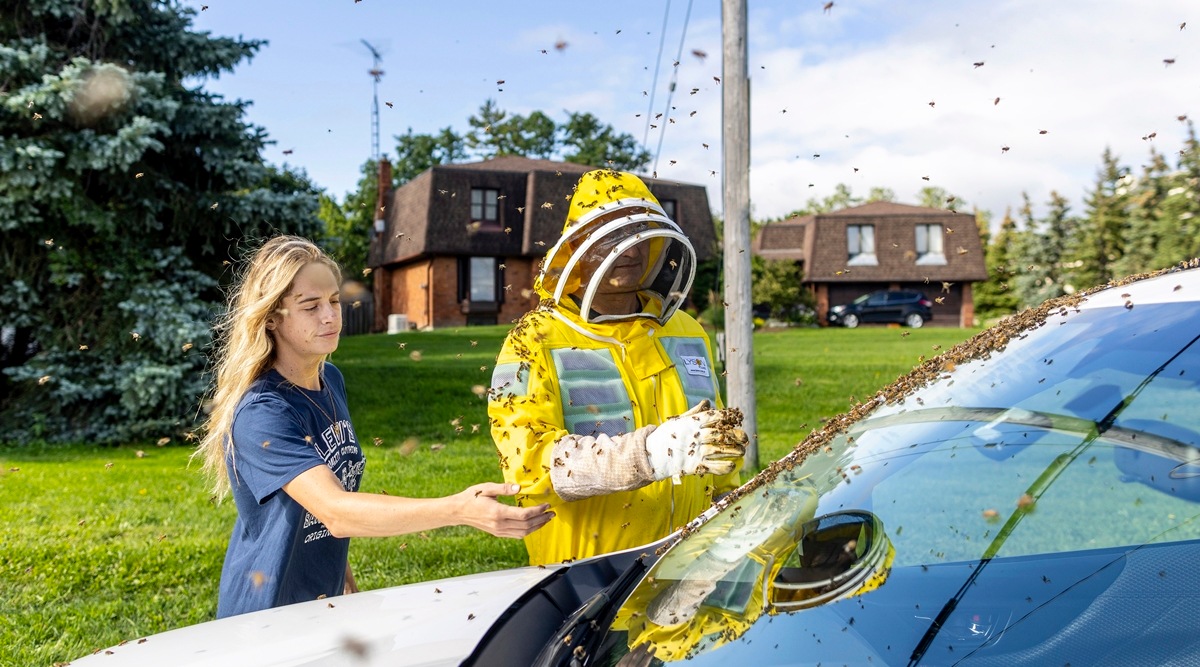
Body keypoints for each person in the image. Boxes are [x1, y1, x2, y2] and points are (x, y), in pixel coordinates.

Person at [196, 235, 553, 618]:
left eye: (333, 300)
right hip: (264, 616)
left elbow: (322, 495)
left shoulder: (330, 380)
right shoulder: (262, 411)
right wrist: (460, 510)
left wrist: (336, 568)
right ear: (270, 319)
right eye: (310, 306)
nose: (330, 316)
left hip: (320, 603)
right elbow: (335, 510)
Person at [489, 169, 747, 566]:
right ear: (577, 245)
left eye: (638, 232)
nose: (628, 250)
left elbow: (716, 450)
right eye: (610, 235)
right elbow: (528, 463)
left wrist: (735, 503)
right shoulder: (533, 340)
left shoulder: (687, 330)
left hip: (693, 567)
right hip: (590, 579)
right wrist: (650, 454)